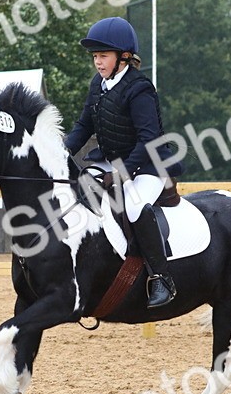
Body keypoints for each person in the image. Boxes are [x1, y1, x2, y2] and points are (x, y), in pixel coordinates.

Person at [63, 17, 184, 308]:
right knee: (80, 190)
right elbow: (83, 126)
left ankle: (162, 278)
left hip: (148, 164)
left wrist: (121, 173)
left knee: (134, 207)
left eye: (103, 56)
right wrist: (60, 151)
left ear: (124, 57)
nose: (97, 62)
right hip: (112, 161)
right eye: (95, 56)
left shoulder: (139, 88)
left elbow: (148, 139)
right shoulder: (98, 84)